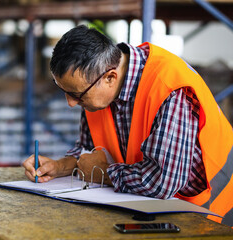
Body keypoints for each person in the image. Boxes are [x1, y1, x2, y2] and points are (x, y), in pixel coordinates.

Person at [22, 25, 233, 226]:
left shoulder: (169, 89)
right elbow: (90, 150)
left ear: (110, 77)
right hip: (153, 212)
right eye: (65, 92)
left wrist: (103, 173)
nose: (70, 103)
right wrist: (62, 166)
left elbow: (161, 182)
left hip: (213, 214)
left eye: (75, 95)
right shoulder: (95, 87)